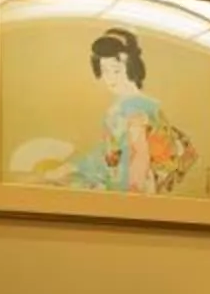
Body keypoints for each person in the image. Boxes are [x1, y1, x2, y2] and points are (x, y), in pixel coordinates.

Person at [71, 27, 199, 194]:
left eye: (116, 70)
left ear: (132, 67)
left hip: (132, 181)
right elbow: (108, 150)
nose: (110, 77)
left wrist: (133, 193)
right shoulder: (126, 104)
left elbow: (140, 156)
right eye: (104, 71)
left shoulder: (135, 108)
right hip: (118, 175)